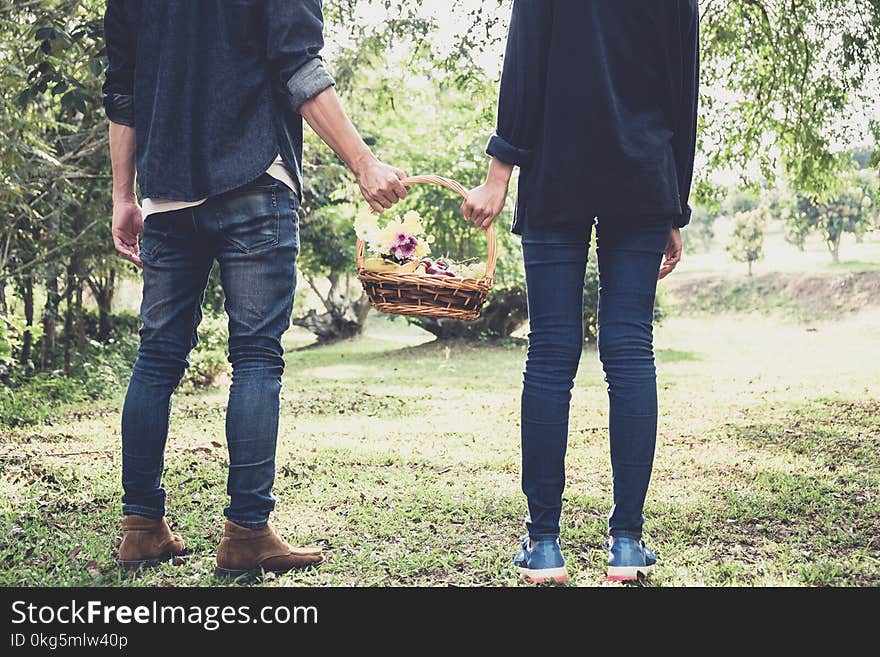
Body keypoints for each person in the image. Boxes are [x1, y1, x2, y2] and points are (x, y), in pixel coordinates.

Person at [103, 0, 407, 575]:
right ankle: (246, 533)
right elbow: (300, 68)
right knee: (256, 360)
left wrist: (124, 196)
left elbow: (123, 92)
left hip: (166, 194)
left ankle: (140, 527)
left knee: (157, 359)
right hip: (254, 181)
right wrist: (363, 162)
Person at [463, 0, 700, 583]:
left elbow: (523, 65)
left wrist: (499, 174)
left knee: (549, 353)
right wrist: (675, 201)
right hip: (644, 176)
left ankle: (543, 544)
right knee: (629, 349)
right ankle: (625, 544)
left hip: (555, 171)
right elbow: (683, 94)